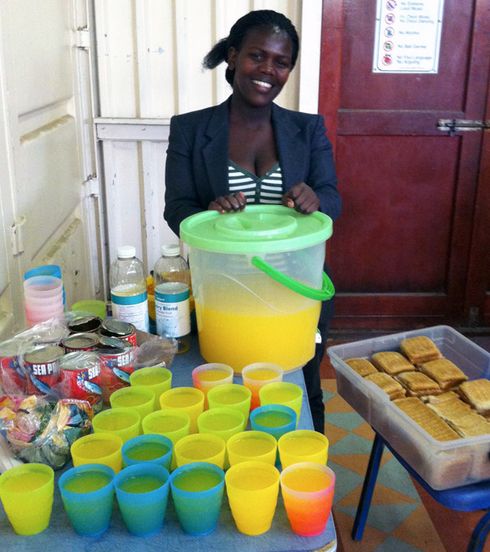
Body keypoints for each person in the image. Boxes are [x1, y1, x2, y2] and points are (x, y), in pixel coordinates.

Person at [164, 9, 341, 432]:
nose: (268, 70)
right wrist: (209, 214)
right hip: (226, 291)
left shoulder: (307, 129)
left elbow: (333, 197)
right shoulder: (191, 129)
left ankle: (307, 460)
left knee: (300, 389)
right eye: (256, 56)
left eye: (281, 62)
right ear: (232, 56)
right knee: (229, 392)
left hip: (297, 290)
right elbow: (178, 208)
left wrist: (316, 198)